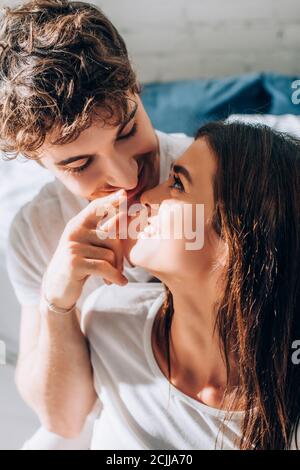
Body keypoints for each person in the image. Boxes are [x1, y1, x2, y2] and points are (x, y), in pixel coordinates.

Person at [0, 0, 193, 448]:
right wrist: (57, 299)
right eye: (81, 163)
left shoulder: (213, 176)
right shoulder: (37, 232)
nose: (128, 177)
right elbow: (65, 420)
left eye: (128, 131)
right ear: (39, 162)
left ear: (137, 89)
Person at [78, 122, 300, 450]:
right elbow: (60, 420)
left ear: (236, 243)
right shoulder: (109, 319)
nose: (147, 197)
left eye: (178, 184)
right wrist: (54, 301)